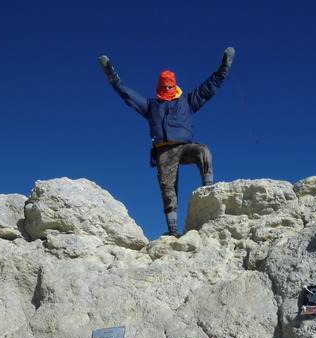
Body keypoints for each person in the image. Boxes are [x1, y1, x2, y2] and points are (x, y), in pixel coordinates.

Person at [98, 48, 235, 237]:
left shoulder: (187, 101)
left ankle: (208, 194)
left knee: (203, 151)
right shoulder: (151, 106)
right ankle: (173, 231)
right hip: (163, 151)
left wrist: (223, 69)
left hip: (184, 146)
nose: (167, 90)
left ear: (175, 86)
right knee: (167, 187)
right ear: (159, 87)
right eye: (164, 87)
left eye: (170, 86)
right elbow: (128, 95)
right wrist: (112, 77)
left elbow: (208, 89)